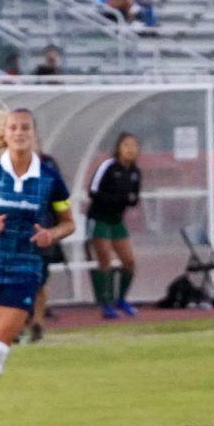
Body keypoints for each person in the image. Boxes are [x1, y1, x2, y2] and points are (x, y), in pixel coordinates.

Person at [0, 108, 75, 414]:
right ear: (5, 134)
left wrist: (52, 234)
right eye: (14, 127)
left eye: (25, 127)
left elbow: (68, 222)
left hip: (24, 271)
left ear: (34, 134)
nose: (20, 132)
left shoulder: (49, 178)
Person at [87, 132, 142, 318]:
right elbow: (93, 191)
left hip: (117, 221)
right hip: (100, 218)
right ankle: (106, 303)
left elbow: (134, 197)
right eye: (126, 145)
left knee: (129, 261)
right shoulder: (108, 167)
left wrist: (130, 200)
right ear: (119, 147)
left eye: (134, 146)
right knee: (105, 260)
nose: (130, 149)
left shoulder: (135, 172)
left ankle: (121, 299)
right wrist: (114, 199)